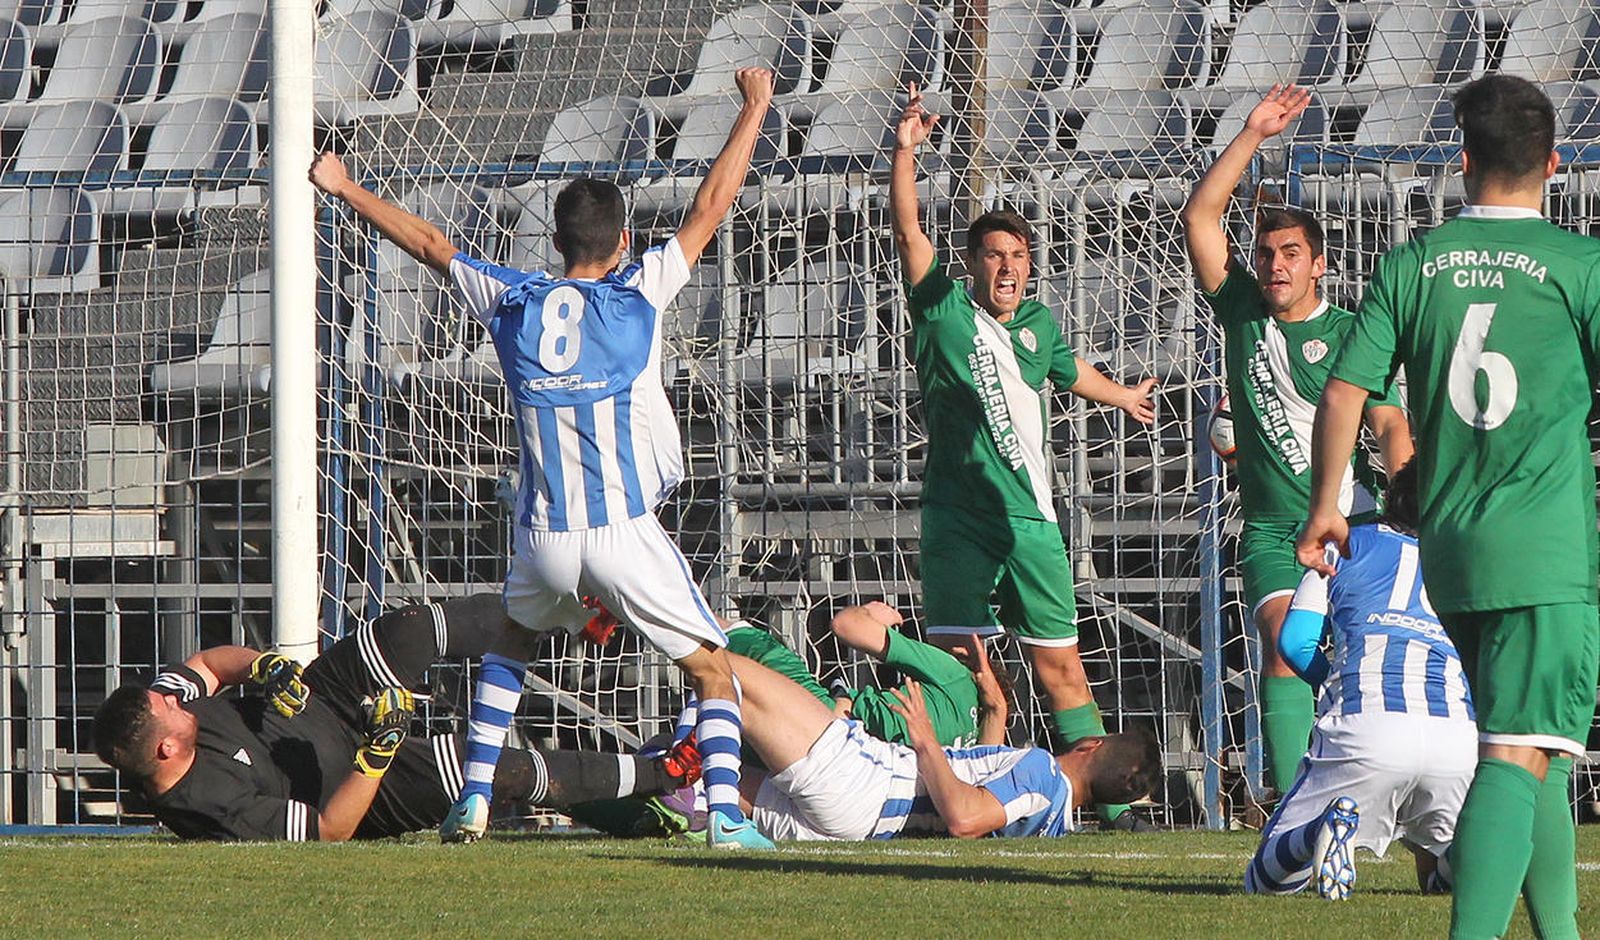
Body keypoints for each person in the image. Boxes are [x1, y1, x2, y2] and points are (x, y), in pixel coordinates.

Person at [309, 68, 778, 848]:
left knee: (513, 647)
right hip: (623, 530)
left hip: (545, 537)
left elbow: (430, 243)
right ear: (622, 241)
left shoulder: (512, 297)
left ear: (553, 244)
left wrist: (344, 185)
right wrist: (755, 107)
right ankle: (727, 814)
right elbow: (710, 206)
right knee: (712, 670)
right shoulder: (639, 293)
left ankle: (475, 800)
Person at [1297, 75, 1599, 939]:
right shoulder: (1581, 266)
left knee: (1530, 743)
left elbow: (1347, 386)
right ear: (1555, 161)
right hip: (1546, 548)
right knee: (1516, 751)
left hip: (1454, 547)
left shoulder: (1412, 262)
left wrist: (1327, 505)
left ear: (1460, 161)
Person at [889, 84, 1159, 831]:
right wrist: (906, 149)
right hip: (958, 521)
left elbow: (1069, 373)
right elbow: (909, 231)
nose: (1007, 268)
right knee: (954, 669)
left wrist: (1123, 399)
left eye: (1018, 257)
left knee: (1060, 668)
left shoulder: (1038, 324)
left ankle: (1107, 803)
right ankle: (934, 797)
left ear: (1030, 268)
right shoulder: (942, 305)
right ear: (972, 263)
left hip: (1032, 525)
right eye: (994, 255)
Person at [1181, 85, 1414, 794]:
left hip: (1356, 522)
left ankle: (1383, 791)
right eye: (1266, 253)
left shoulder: (1348, 334)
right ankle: (1294, 808)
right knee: (1283, 650)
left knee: (1367, 658)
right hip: (1274, 529)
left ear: (1319, 265)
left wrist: (1408, 508)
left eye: (1291, 253)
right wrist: (1252, 132)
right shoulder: (1244, 311)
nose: (1276, 264)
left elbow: (1388, 420)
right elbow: (1199, 216)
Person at [92, 596, 689, 841]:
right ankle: (668, 772)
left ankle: (567, 614)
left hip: (323, 697)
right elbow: (329, 830)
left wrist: (263, 667)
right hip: (363, 787)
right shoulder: (212, 807)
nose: (174, 698)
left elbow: (205, 665)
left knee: (408, 630)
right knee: (491, 771)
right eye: (165, 706)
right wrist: (378, 753)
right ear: (165, 751)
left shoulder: (170, 717)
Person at [1246, 461, 1475, 901]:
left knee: (1266, 880)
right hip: (1456, 737)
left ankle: (1319, 830)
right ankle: (1463, 849)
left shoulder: (1342, 546)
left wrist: (1332, 681)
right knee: (1441, 881)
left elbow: (1293, 644)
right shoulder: (1465, 566)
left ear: (1390, 500)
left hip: (1366, 724)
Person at [727, 651, 1162, 841]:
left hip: (865, 782)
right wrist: (997, 715)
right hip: (864, 818)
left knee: (728, 671)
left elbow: (965, 816)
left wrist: (925, 739)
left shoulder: (1042, 773)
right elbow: (979, 793)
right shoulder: (1053, 819)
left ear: (1090, 745)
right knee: (707, 783)